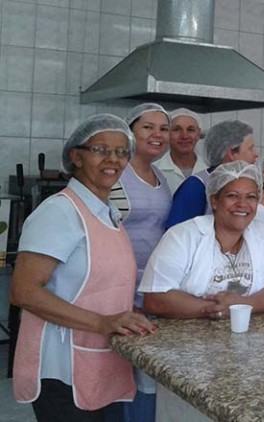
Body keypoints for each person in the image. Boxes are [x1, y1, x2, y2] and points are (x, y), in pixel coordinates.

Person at [11, 114, 156, 421]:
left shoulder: (108, 213)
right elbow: (24, 291)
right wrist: (102, 322)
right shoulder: (60, 211)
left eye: (121, 152)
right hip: (61, 368)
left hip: (101, 359)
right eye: (101, 149)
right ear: (76, 156)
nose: (113, 160)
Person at [139, 161, 264, 319]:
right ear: (214, 201)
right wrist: (214, 309)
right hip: (188, 339)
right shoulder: (182, 236)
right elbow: (155, 298)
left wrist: (244, 305)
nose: (242, 204)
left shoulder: (263, 234)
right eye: (232, 196)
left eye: (251, 197)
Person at [109, 103, 173, 422]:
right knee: (116, 369)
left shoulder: (160, 175)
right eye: (148, 127)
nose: (157, 134)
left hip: (150, 285)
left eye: (163, 128)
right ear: (130, 131)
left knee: (142, 370)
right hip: (117, 286)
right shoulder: (117, 171)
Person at [164, 120, 258, 229]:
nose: (256, 154)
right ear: (231, 153)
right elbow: (176, 232)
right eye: (251, 148)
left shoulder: (249, 184)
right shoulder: (196, 186)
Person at [155, 107, 207, 193]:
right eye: (177, 129)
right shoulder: (154, 171)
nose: (184, 136)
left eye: (190, 130)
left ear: (198, 134)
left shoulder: (211, 169)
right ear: (167, 134)